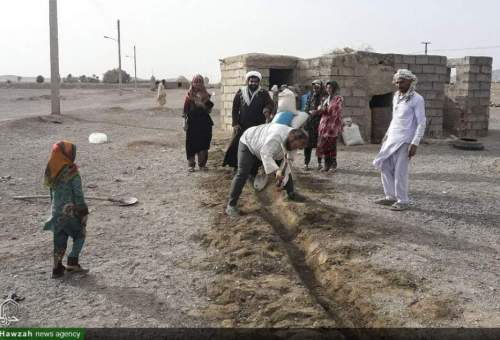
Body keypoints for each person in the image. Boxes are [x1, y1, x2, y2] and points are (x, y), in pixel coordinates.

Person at [225, 124, 309, 217]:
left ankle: (291, 193)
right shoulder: (276, 137)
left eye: (298, 147)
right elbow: (265, 154)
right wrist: (277, 170)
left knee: (286, 167)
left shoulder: (294, 140)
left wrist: (282, 177)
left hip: (268, 147)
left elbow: (287, 161)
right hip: (249, 141)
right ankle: (231, 206)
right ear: (291, 138)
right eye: (296, 145)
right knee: (243, 172)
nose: (296, 148)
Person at [373, 69, 426, 211]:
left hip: (405, 140)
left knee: (400, 171)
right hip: (392, 137)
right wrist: (387, 134)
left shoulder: (417, 99)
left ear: (410, 81)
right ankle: (390, 197)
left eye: (402, 81)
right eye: (396, 82)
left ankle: (403, 200)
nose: (398, 84)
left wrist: (415, 143)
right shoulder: (396, 96)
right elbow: (395, 118)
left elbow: (421, 122)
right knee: (384, 165)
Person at [43, 141, 89, 278]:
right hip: (69, 212)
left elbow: (51, 193)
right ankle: (72, 262)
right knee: (80, 234)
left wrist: (55, 209)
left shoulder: (52, 169)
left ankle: (57, 269)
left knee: (60, 239)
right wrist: (83, 211)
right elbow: (78, 194)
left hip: (56, 212)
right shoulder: (72, 171)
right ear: (67, 154)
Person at [222, 71, 274, 170]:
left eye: (255, 82)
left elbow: (270, 104)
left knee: (255, 146)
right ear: (248, 81)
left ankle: (253, 167)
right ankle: (236, 166)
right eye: (251, 81)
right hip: (242, 125)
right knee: (237, 144)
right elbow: (235, 109)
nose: (253, 83)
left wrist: (267, 109)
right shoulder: (240, 92)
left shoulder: (263, 93)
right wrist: (235, 123)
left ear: (259, 82)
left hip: (257, 126)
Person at [183, 74, 214, 172]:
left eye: (200, 81)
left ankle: (202, 164)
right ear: (192, 83)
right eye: (196, 82)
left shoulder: (207, 95)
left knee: (204, 144)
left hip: (205, 123)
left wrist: (202, 105)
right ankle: (191, 165)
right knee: (191, 144)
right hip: (192, 124)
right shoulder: (188, 97)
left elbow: (209, 111)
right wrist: (184, 123)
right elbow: (185, 112)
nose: (198, 84)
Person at [317, 80, 344, 172]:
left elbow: (336, 110)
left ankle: (333, 165)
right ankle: (326, 165)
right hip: (324, 125)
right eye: (327, 88)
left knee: (332, 145)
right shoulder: (326, 99)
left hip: (333, 125)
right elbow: (322, 111)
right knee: (324, 145)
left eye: (330, 88)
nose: (328, 89)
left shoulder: (338, 98)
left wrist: (325, 109)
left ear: (334, 88)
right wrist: (321, 109)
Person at [303, 80, 326, 170]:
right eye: (314, 87)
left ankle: (319, 163)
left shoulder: (323, 97)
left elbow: (324, 109)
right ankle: (306, 163)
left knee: (319, 144)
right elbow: (306, 106)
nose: (315, 89)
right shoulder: (310, 96)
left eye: (317, 87)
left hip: (319, 123)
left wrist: (316, 112)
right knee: (307, 144)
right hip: (309, 123)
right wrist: (308, 111)